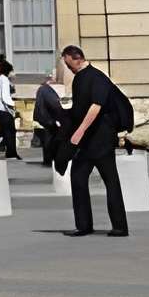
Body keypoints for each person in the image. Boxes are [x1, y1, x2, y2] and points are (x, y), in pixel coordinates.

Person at [59, 46, 129, 237]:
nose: (67, 66)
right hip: (89, 140)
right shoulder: (80, 78)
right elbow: (79, 108)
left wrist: (79, 132)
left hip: (101, 139)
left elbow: (95, 106)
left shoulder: (96, 77)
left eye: (67, 62)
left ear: (77, 58)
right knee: (79, 177)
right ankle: (85, 225)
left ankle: (119, 226)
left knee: (110, 181)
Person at [31, 70, 69, 173]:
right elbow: (54, 105)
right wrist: (60, 117)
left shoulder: (42, 89)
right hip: (48, 119)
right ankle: (50, 160)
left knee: (48, 139)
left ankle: (48, 160)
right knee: (51, 139)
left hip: (45, 119)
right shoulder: (46, 90)